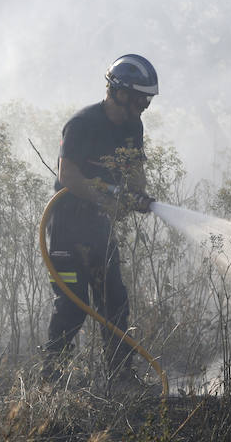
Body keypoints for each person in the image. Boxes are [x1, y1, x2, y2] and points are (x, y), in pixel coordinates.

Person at [42, 54, 158, 385]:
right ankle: (52, 380)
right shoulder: (82, 124)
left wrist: (137, 195)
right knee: (72, 305)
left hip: (98, 227)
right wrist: (108, 198)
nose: (145, 104)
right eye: (140, 96)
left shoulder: (133, 126)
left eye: (148, 98)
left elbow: (135, 172)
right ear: (119, 92)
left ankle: (120, 377)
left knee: (115, 302)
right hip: (65, 227)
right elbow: (68, 176)